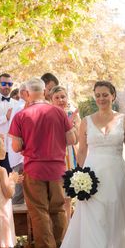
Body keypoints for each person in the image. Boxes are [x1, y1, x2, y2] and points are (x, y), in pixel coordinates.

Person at [57, 82, 125, 248]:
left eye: (105, 95)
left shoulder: (123, 120)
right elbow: (81, 151)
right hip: (92, 174)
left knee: (113, 212)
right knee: (94, 215)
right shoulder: (86, 121)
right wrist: (78, 175)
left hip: (116, 172)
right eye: (98, 95)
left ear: (113, 96)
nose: (101, 99)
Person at [9, 78, 77, 248]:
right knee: (58, 208)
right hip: (57, 167)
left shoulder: (21, 116)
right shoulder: (58, 112)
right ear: (45, 92)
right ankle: (61, 247)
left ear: (27, 93)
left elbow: (16, 147)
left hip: (34, 168)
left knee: (39, 211)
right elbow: (71, 139)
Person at [50, 85, 80, 219]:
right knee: (57, 197)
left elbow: (77, 139)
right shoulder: (48, 116)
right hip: (55, 158)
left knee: (68, 197)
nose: (60, 100)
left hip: (70, 158)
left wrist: (72, 127)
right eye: (57, 98)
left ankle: (67, 228)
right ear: (52, 100)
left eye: (63, 97)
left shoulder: (73, 115)